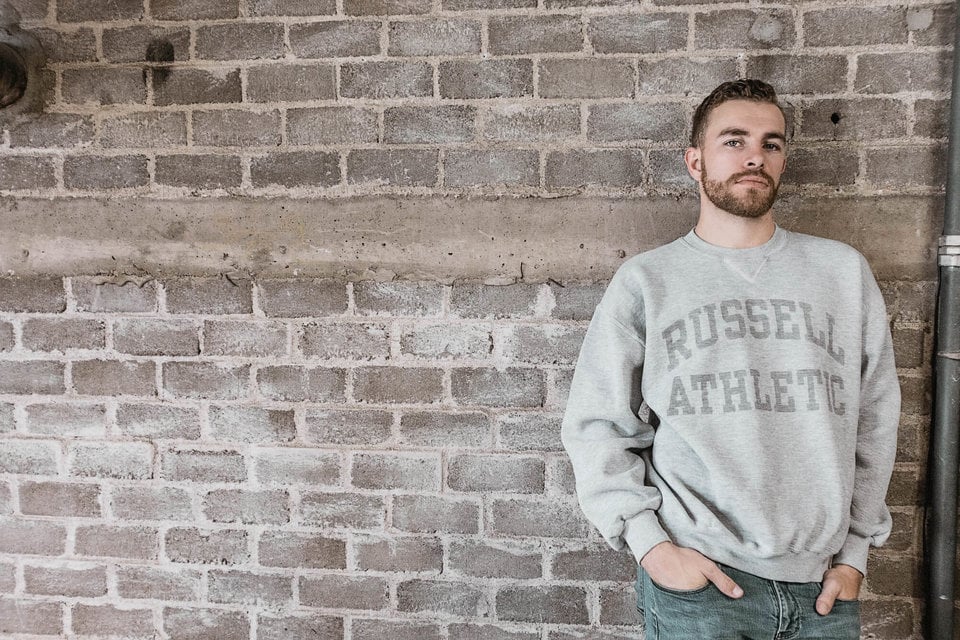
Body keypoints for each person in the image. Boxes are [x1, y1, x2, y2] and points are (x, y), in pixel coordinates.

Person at [561, 79, 900, 639]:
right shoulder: (648, 281)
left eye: (772, 144)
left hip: (824, 590)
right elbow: (598, 425)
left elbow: (877, 419)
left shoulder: (842, 273)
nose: (754, 156)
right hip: (701, 586)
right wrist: (651, 547)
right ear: (695, 162)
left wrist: (856, 553)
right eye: (733, 141)